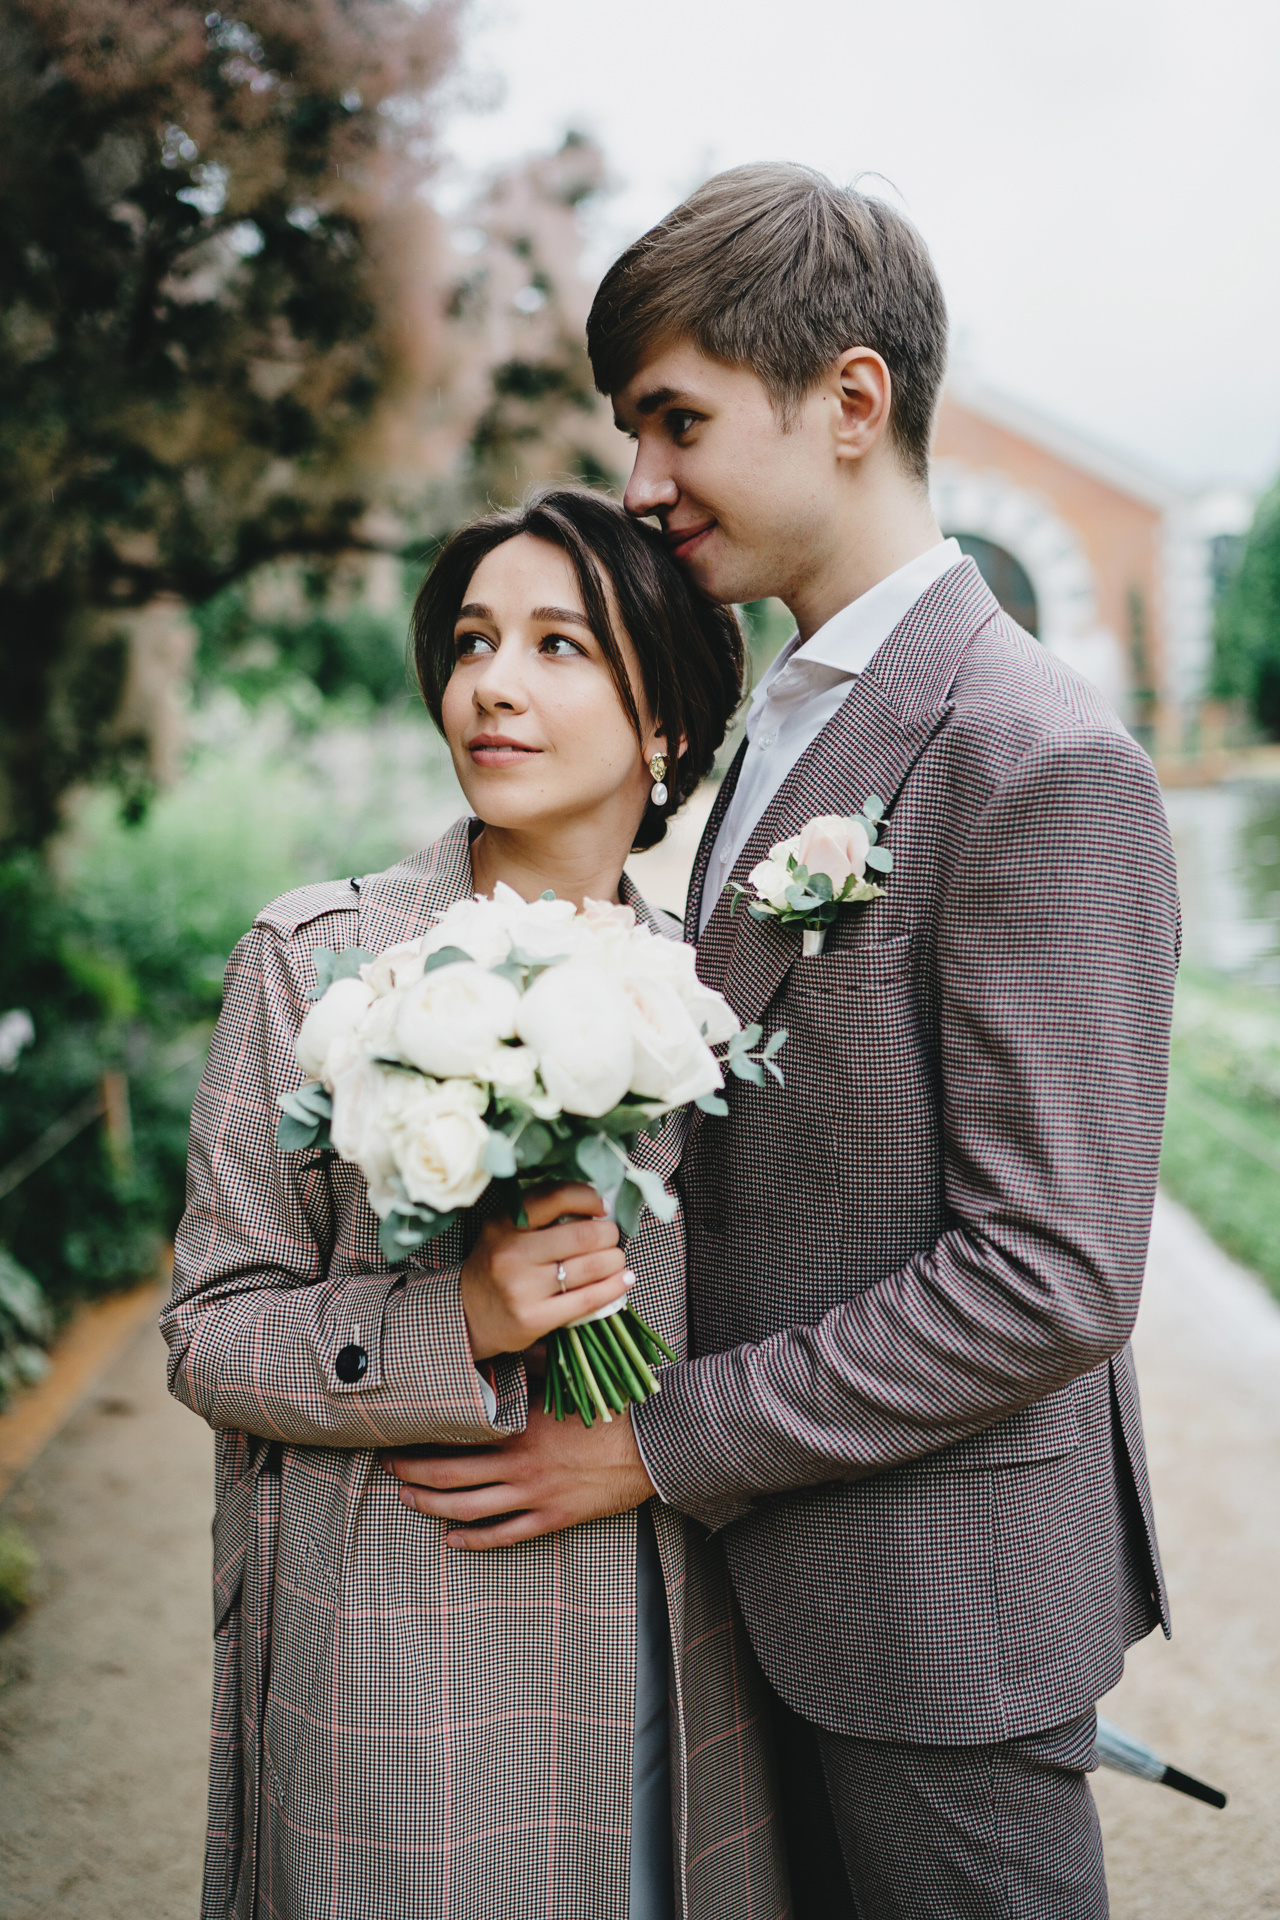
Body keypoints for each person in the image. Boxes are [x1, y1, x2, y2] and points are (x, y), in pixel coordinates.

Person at [389, 165, 1181, 1920]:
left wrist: (655, 1441)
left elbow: (1051, 1276)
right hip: (769, 1581)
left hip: (938, 1610)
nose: (638, 482)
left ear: (851, 400)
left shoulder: (1036, 756)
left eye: (675, 421)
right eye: (631, 429)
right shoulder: (786, 717)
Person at [161, 488, 790, 1920]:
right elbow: (209, 1331)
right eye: (471, 642)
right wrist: (459, 1321)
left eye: (559, 645)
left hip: (661, 1646)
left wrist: (661, 1447)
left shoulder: (715, 1006)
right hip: (401, 1653)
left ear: (662, 719)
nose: (492, 685)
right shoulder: (316, 960)